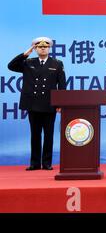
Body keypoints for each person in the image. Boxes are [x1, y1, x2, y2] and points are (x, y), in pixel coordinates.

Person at [8, 37, 66, 171]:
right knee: (35, 134)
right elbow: (11, 66)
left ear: (49, 48)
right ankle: (34, 163)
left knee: (48, 135)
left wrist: (60, 104)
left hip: (49, 104)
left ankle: (47, 163)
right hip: (32, 104)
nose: (43, 48)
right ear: (35, 49)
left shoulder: (57, 63)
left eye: (45, 46)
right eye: (39, 47)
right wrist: (26, 53)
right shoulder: (28, 62)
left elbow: (62, 85)